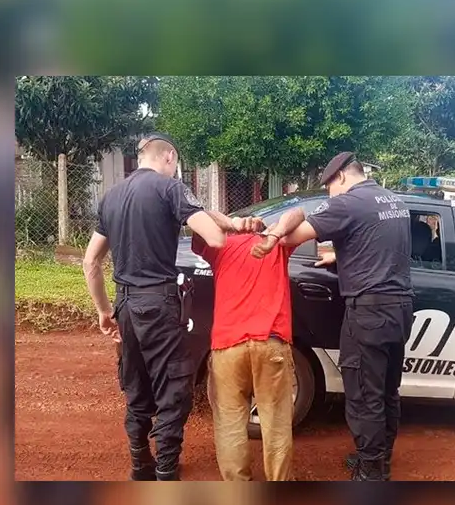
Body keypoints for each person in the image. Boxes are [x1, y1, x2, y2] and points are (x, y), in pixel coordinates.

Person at [82, 132, 251, 481]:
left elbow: (90, 262)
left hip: (125, 303)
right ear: (169, 157)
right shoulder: (170, 188)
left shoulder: (111, 196)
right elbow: (215, 238)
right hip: (158, 302)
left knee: (136, 385)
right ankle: (165, 472)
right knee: (173, 388)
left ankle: (140, 465)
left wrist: (103, 311)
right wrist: (222, 222)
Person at [257, 152, 414, 481]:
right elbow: (375, 247)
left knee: (363, 396)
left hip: (368, 313)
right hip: (399, 309)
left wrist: (269, 235)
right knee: (387, 391)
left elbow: (293, 236)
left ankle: (370, 474)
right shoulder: (392, 200)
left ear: (341, 177)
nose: (329, 193)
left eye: (329, 186)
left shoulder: (347, 203)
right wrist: (341, 258)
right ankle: (380, 459)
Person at [189, 219, 310, 481]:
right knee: (276, 423)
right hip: (271, 343)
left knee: (230, 423)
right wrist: (273, 233)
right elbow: (298, 212)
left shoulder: (219, 247)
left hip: (227, 347)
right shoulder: (275, 245)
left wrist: (229, 223)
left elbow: (198, 222)